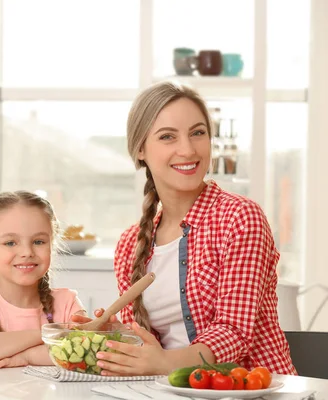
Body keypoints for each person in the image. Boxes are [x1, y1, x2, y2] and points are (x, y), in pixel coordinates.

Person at [74, 81, 296, 376]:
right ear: (140, 149)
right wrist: (119, 335)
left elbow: (234, 332)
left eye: (198, 133)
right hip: (170, 390)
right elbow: (147, 348)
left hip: (252, 390)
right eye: (168, 137)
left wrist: (165, 363)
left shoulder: (240, 218)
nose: (188, 149)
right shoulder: (130, 243)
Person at [0, 191, 86, 369]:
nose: (26, 252)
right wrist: (49, 335)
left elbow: (81, 352)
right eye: (10, 243)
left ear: (52, 245)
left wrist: (27, 357)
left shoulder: (67, 302)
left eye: (39, 242)